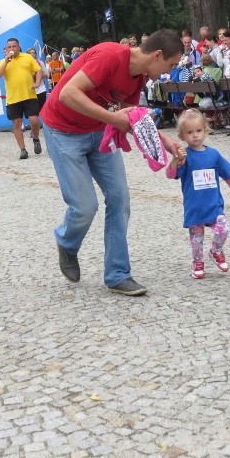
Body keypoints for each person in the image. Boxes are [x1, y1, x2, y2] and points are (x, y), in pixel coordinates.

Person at [40, 29, 185, 296]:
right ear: (157, 55)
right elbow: (67, 94)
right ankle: (67, 243)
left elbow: (131, 118)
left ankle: (118, 275)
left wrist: (166, 141)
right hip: (63, 131)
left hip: (99, 132)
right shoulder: (109, 55)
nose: (168, 72)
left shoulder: (138, 76)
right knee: (84, 207)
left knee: (120, 198)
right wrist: (113, 119)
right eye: (171, 64)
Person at [165, 109, 230, 280]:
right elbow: (170, 175)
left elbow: (227, 174)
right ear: (182, 136)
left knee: (223, 230)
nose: (195, 135)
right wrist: (175, 160)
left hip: (214, 205)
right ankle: (197, 261)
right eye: (190, 132)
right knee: (196, 239)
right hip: (194, 206)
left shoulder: (213, 154)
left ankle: (216, 251)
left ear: (205, 130)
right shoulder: (184, 156)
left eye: (198, 130)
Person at [0, 38, 43, 159]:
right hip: (13, 98)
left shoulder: (27, 57)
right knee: (16, 123)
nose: (11, 49)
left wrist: (37, 83)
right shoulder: (3, 61)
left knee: (34, 120)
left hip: (29, 95)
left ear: (18, 47)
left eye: (14, 46)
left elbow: (38, 70)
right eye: (9, 47)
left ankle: (36, 139)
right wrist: (5, 62)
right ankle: (23, 149)